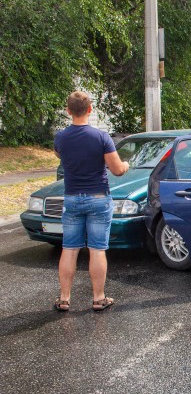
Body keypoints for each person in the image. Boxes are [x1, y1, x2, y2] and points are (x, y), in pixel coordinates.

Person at [53, 91, 129, 312]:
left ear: (68, 111)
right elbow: (117, 170)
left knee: (69, 248)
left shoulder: (60, 138)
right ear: (90, 109)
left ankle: (64, 299)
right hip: (98, 198)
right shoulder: (101, 137)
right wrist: (125, 165)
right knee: (96, 249)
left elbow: (60, 154)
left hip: (72, 199)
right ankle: (98, 298)